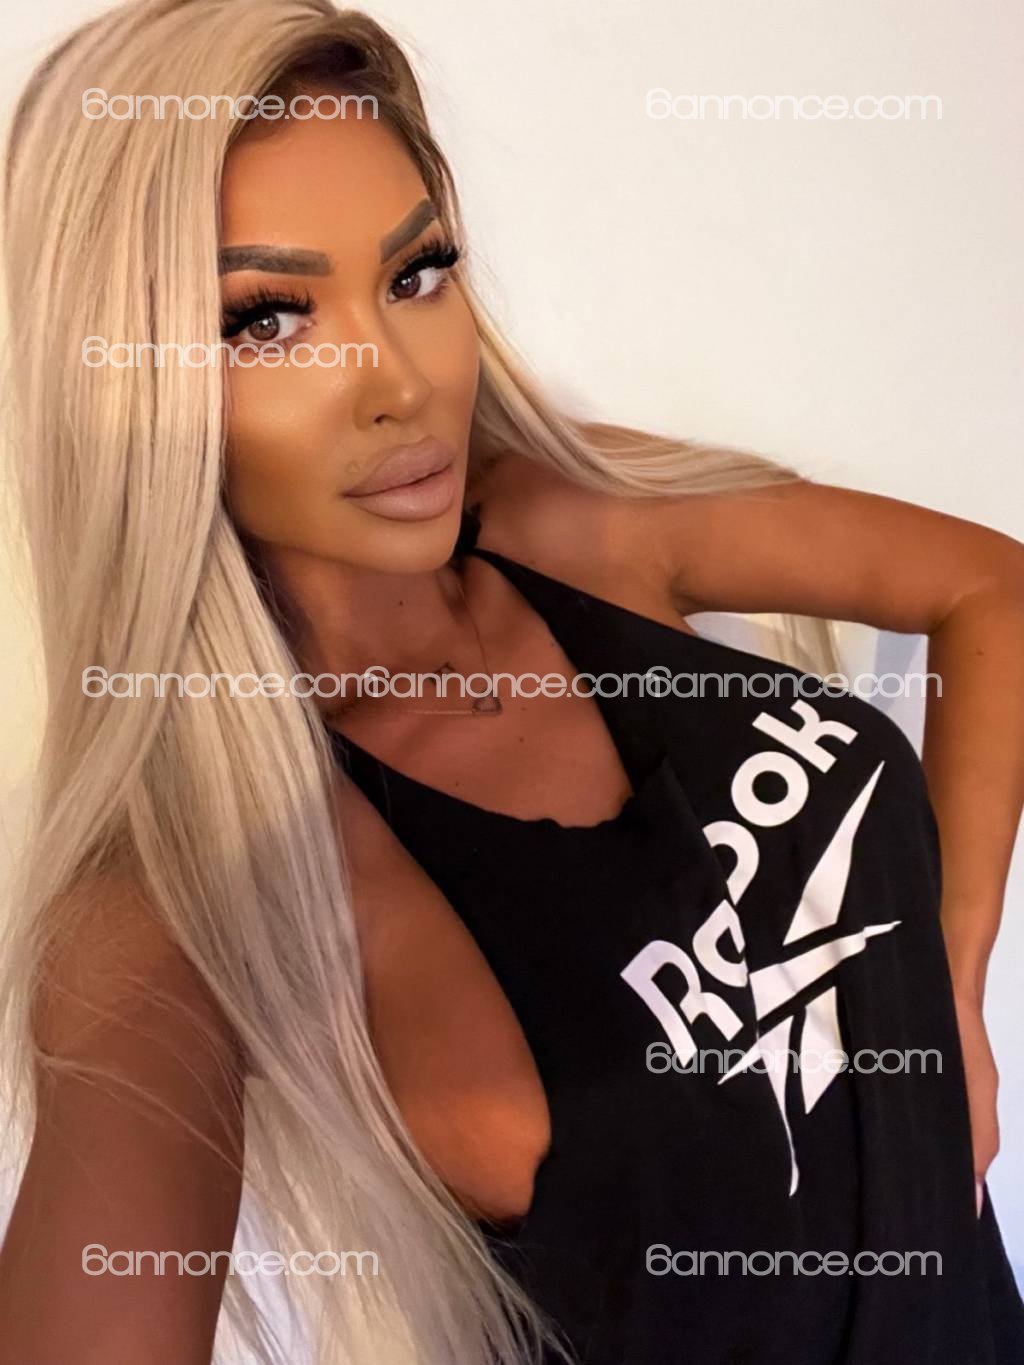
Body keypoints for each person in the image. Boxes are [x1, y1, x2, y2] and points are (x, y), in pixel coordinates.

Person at [1, 1, 1023, 1362]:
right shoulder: (184, 896)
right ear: (118, 386)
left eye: (415, 273)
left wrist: (950, 993)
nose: (399, 384)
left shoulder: (568, 529)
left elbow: (992, 589)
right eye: (266, 320)